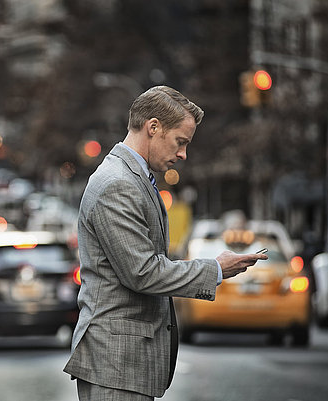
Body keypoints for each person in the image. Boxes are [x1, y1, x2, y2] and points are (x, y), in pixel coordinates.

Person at [63, 86, 267, 400]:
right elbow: (142, 272)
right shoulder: (118, 183)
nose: (183, 155)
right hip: (116, 363)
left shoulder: (134, 179)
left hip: (123, 363)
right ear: (153, 127)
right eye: (180, 142)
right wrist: (215, 269)